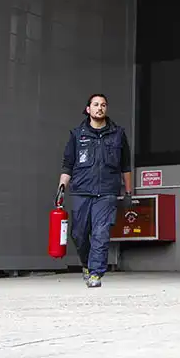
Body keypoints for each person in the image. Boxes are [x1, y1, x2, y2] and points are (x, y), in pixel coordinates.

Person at [58, 93, 133, 288]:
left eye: (103, 105)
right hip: (81, 191)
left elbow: (125, 166)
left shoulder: (118, 134)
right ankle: (86, 264)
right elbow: (68, 165)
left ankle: (96, 273)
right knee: (79, 234)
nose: (100, 108)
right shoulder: (77, 134)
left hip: (107, 192)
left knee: (101, 232)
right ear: (88, 109)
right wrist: (61, 188)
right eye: (96, 105)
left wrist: (128, 192)